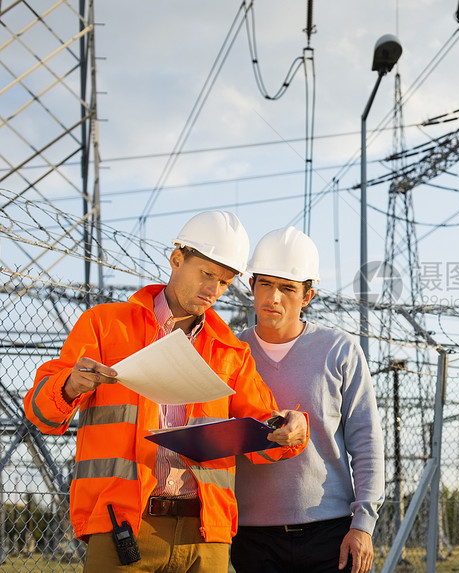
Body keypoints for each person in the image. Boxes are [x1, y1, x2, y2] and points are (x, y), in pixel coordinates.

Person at [23, 210, 309, 573]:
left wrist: (289, 430)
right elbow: (40, 415)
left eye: (224, 282)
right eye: (206, 274)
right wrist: (67, 386)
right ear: (177, 259)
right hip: (122, 528)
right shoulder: (105, 326)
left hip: (206, 535)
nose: (213, 290)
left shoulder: (230, 351)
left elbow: (265, 436)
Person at [231, 226, 384, 573]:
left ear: (308, 296)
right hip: (252, 537)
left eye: (287, 288)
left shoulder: (339, 350)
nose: (274, 298)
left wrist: (363, 524)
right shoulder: (229, 353)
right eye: (266, 284)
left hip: (331, 532)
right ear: (251, 286)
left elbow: (366, 440)